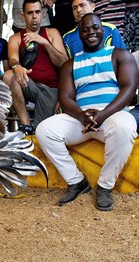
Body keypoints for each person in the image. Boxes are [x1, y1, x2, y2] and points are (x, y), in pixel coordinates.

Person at [35, 13, 138, 211]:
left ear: (103, 29)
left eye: (95, 27)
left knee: (125, 127)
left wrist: (103, 114)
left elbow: (129, 88)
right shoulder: (70, 64)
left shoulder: (119, 55)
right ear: (79, 34)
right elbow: (65, 98)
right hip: (81, 119)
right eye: (85, 29)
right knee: (44, 130)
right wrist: (83, 116)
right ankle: (76, 181)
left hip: (111, 115)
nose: (91, 32)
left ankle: (104, 186)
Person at [3, 0, 67, 134]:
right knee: (9, 75)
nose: (34, 16)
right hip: (29, 85)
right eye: (30, 13)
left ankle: (34, 132)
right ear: (23, 16)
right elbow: (13, 58)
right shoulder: (15, 38)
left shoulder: (52, 33)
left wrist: (45, 43)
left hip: (51, 89)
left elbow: (64, 62)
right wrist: (17, 66)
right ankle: (25, 125)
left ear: (42, 14)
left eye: (37, 12)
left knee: (42, 133)